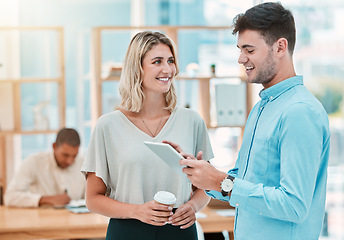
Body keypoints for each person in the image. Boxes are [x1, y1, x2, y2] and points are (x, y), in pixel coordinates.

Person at [174, 2, 330, 240]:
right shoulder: (260, 108)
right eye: (240, 49)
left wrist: (222, 181)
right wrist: (204, 174)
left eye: (249, 49)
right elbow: (241, 182)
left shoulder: (299, 112)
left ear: (280, 47)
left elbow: (294, 206)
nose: (240, 58)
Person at [81, 31, 213, 240]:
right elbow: (93, 198)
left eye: (170, 61)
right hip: (128, 231)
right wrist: (137, 211)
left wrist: (193, 206)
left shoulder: (192, 121)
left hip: (180, 231)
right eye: (157, 61)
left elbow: (206, 187)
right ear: (137, 68)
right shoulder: (108, 125)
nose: (167, 69)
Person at [4, 128, 85, 207]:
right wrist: (44, 199)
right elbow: (10, 197)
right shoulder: (34, 162)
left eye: (74, 156)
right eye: (65, 155)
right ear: (54, 146)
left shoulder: (82, 164)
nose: (69, 161)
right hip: (40, 219)